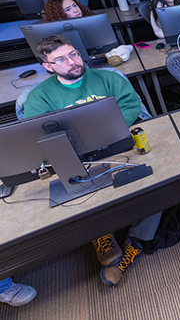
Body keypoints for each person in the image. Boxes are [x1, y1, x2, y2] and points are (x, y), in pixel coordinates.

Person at [24, 34, 150, 287]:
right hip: (77, 156)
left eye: (73, 54)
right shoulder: (40, 96)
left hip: (118, 141)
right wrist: (84, 142)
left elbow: (130, 106)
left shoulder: (108, 78)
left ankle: (133, 245)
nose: (71, 61)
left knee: (159, 181)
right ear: (48, 67)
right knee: (78, 192)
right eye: (60, 59)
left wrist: (107, 132)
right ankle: (100, 234)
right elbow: (37, 133)